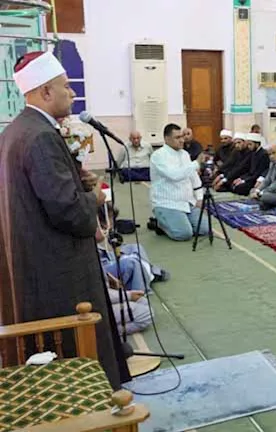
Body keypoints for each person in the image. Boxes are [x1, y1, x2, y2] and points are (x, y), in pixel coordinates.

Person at [0, 51, 127, 387]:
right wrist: (95, 195)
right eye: (66, 86)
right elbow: (69, 211)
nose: (72, 93)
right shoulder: (41, 136)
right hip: (56, 268)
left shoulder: (17, 131)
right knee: (73, 352)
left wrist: (77, 181)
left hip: (31, 258)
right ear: (45, 91)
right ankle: (91, 400)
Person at [150, 123, 209, 241]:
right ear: (167, 139)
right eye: (177, 137)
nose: (182, 140)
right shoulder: (158, 156)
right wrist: (196, 163)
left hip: (187, 202)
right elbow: (174, 175)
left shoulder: (185, 154)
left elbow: (194, 177)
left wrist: (199, 198)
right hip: (167, 203)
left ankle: (179, 221)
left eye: (182, 136)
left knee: (204, 229)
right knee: (184, 234)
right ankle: (160, 223)